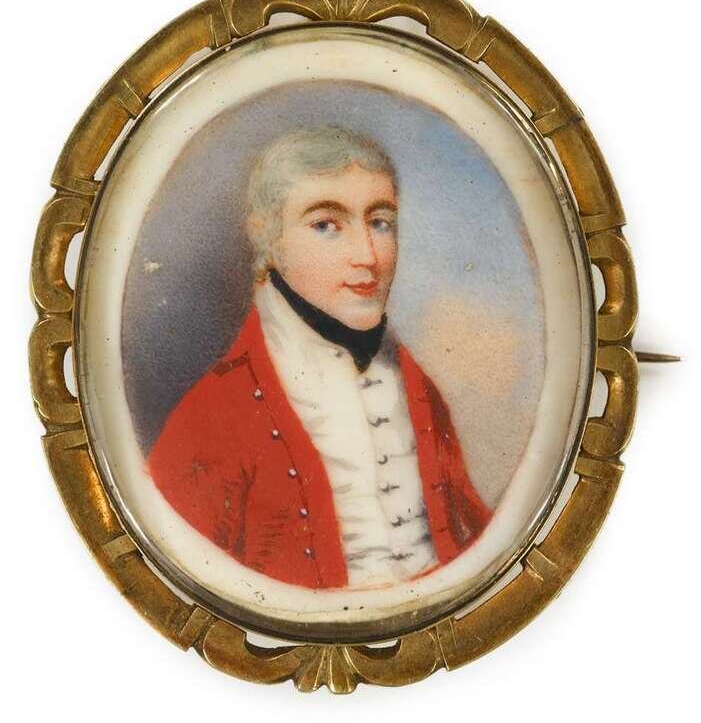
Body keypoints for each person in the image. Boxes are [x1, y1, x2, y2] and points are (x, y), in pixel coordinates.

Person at [148, 125, 492, 590]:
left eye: (380, 222)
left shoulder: (414, 385)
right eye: (327, 225)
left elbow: (477, 539)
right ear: (268, 237)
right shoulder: (212, 414)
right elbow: (182, 577)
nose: (367, 256)